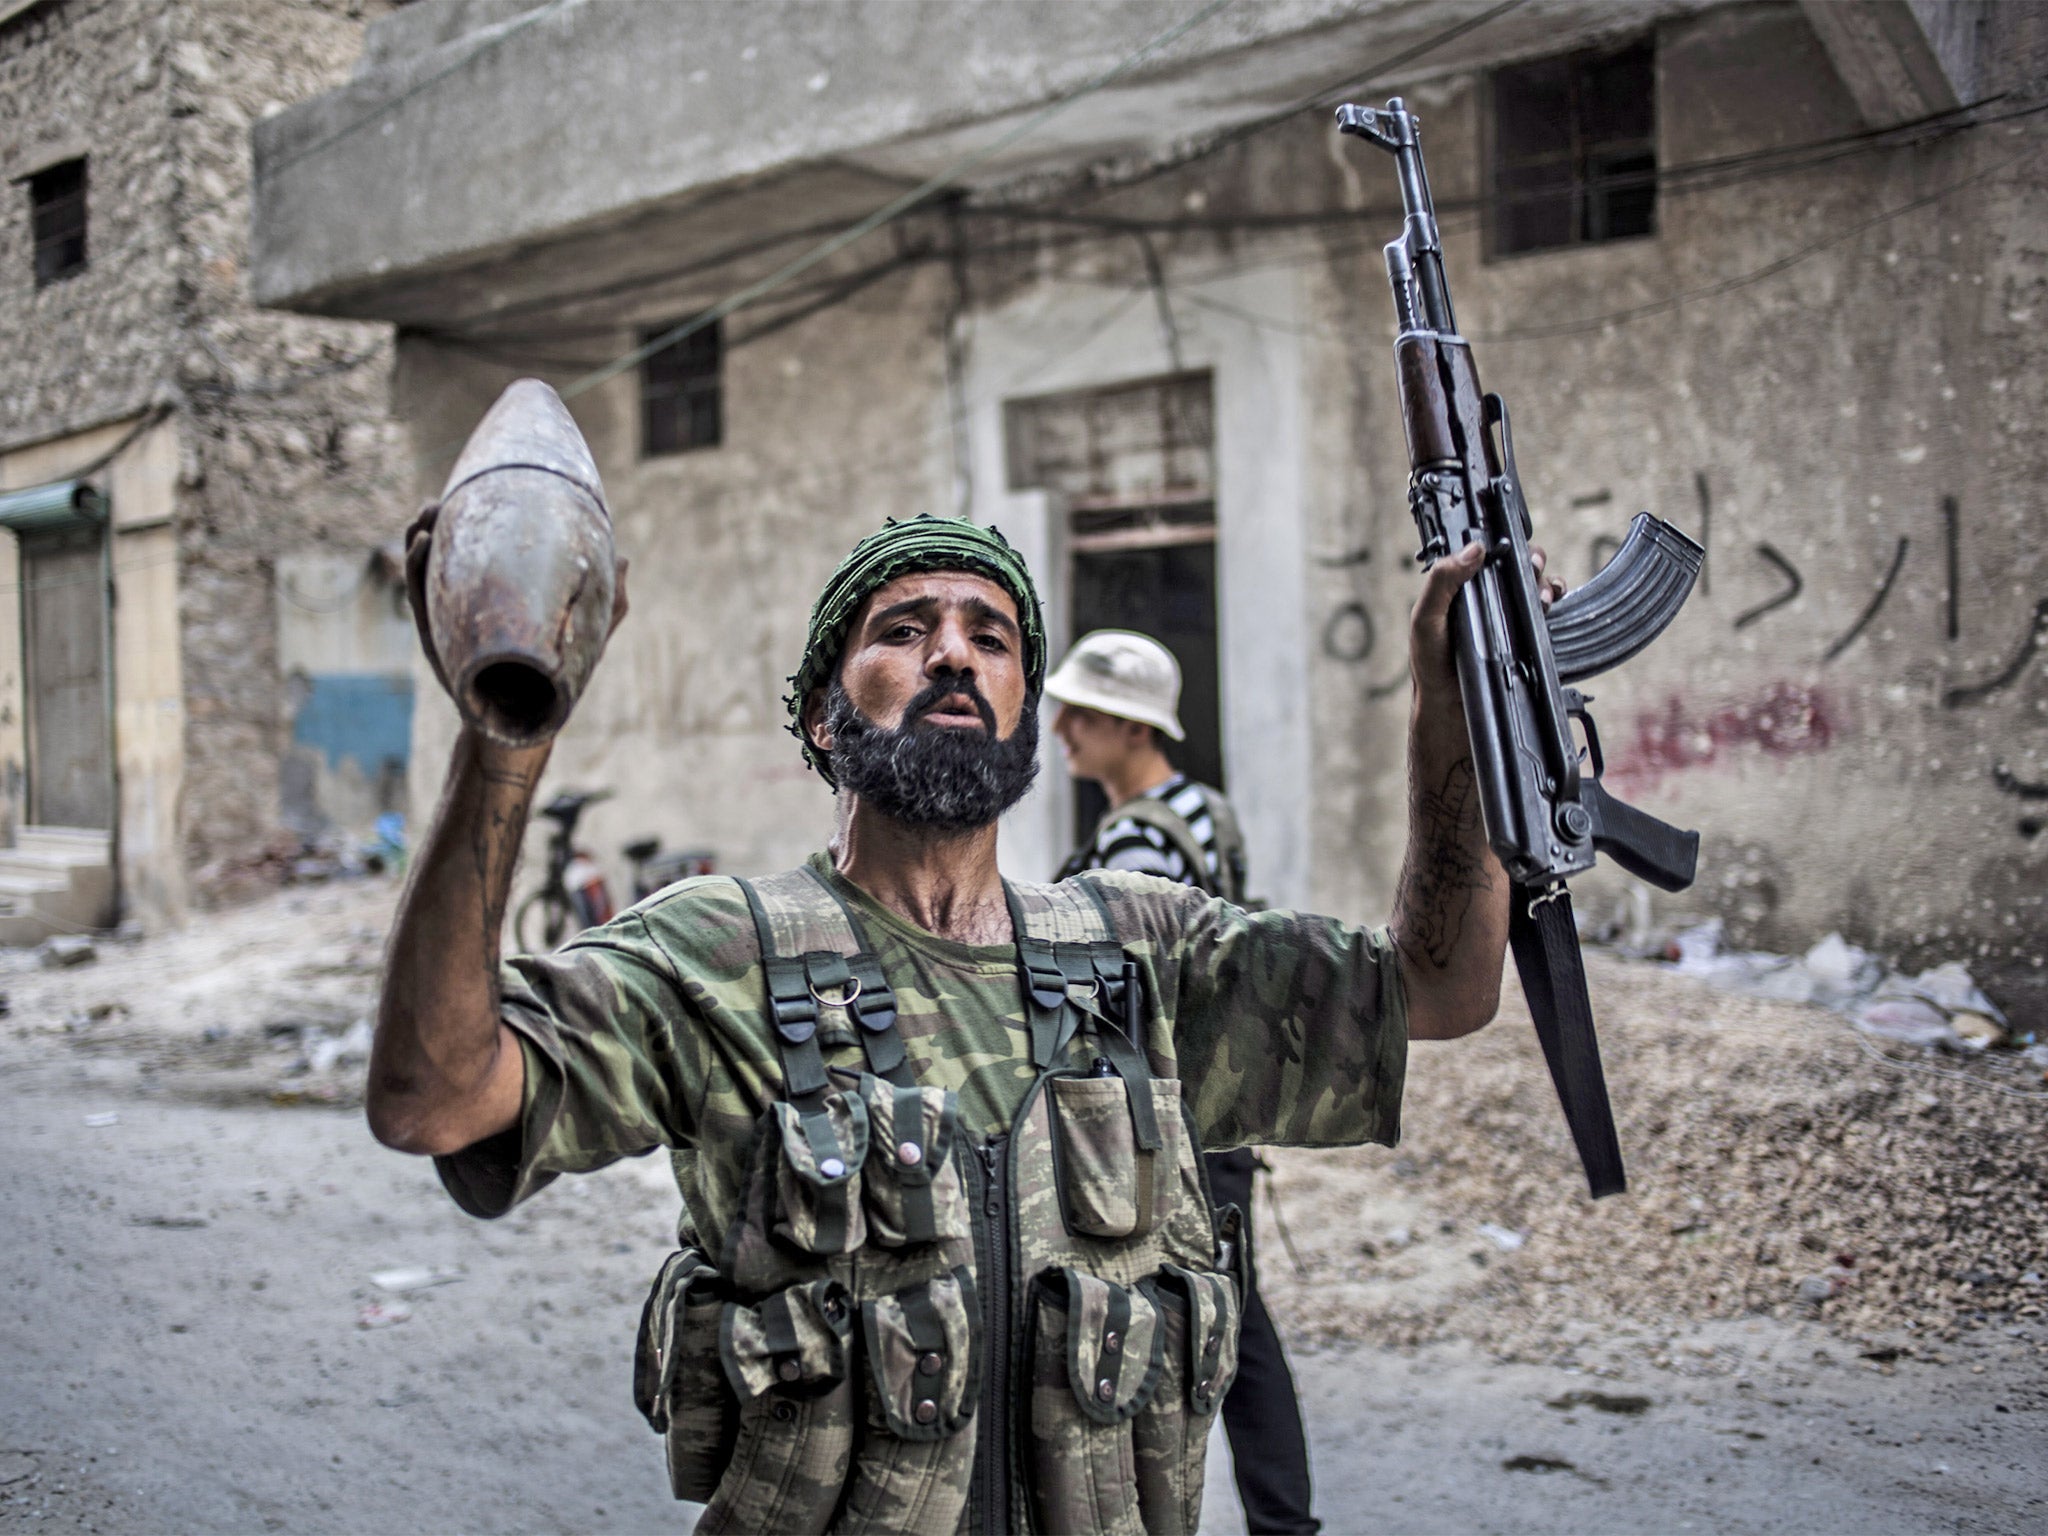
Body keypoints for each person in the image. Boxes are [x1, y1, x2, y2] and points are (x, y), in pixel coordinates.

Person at [372, 511, 1555, 1536]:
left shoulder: (1143, 948)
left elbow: (1439, 987)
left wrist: (1452, 710)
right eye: (901, 630)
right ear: (825, 718)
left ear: (1024, 723)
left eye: (991, 639)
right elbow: (435, 1093)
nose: (952, 652)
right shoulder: (719, 951)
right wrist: (504, 736)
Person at [1045, 628, 1317, 1536]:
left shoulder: (1133, 840)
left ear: (1133, 727)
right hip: (1216, 1109)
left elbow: (1125, 993)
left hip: (1169, 1120)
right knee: (1233, 1317)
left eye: (1084, 713)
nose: (1062, 728)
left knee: (1190, 1327)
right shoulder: (1206, 810)